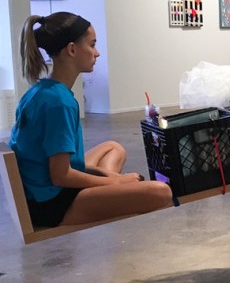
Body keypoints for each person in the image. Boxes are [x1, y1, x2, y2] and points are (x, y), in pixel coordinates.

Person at [8, 12, 173, 228]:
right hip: (52, 204)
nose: (97, 53)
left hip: (41, 190)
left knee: (113, 148)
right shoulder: (59, 103)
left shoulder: (41, 91)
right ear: (72, 49)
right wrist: (115, 180)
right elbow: (60, 175)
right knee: (161, 192)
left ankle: (111, 190)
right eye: (92, 45)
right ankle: (113, 190)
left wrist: (110, 178)